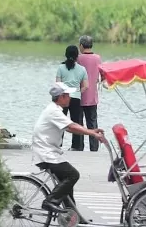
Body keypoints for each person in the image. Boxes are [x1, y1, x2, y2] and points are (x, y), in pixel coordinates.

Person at [31, 82, 106, 213]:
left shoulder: (55, 110)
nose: (70, 97)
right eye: (67, 95)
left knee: (66, 181)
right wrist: (92, 133)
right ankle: (50, 201)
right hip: (46, 154)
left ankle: (72, 214)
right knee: (73, 175)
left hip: (48, 152)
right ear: (60, 97)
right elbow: (71, 126)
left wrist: (91, 131)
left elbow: (70, 127)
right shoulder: (53, 111)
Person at [55, 45, 88, 148]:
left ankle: (58, 144)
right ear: (77, 56)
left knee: (61, 122)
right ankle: (76, 146)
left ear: (66, 55)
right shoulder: (82, 69)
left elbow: (58, 84)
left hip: (63, 98)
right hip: (76, 98)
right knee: (76, 123)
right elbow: (86, 86)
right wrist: (78, 91)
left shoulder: (61, 67)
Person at [75, 35, 104, 152]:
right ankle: (94, 148)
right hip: (92, 97)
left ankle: (79, 147)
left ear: (81, 45)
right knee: (93, 123)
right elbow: (102, 76)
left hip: (79, 96)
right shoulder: (98, 58)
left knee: (79, 123)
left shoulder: (78, 58)